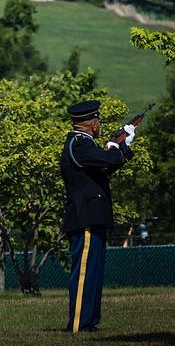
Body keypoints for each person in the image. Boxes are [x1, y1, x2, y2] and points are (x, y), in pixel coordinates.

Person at [61, 100, 134, 333]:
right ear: (92, 124)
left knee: (93, 271)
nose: (100, 124)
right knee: (84, 272)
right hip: (85, 217)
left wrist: (122, 147)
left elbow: (106, 167)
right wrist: (115, 145)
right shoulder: (80, 143)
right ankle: (79, 323)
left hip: (93, 216)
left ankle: (89, 321)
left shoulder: (85, 145)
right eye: (98, 121)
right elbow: (106, 159)